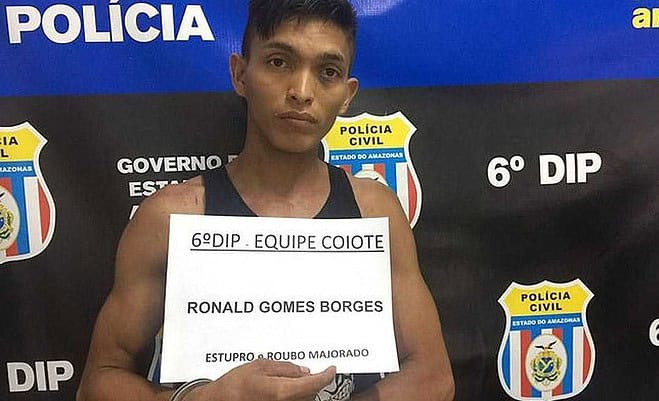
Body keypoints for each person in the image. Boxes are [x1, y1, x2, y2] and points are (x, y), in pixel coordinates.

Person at [76, 1, 454, 400]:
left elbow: (433, 377)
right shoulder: (170, 218)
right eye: (279, 62)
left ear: (347, 95)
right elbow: (98, 382)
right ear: (240, 74)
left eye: (328, 72)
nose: (301, 92)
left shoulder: (375, 212)